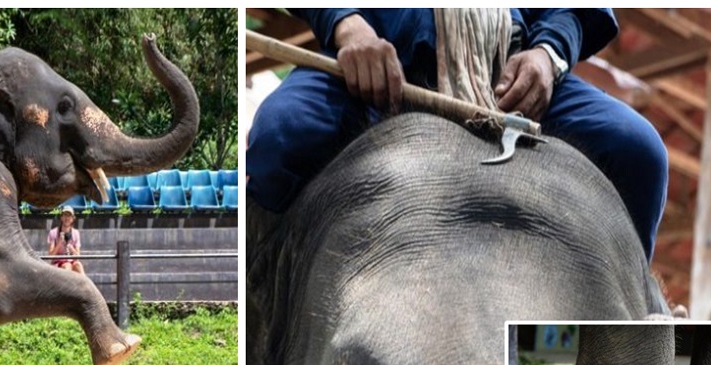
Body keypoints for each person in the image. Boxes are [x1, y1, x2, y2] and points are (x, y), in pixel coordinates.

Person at [247, 9, 668, 261]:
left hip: (510, 72)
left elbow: (575, 9)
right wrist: (348, 26)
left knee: (639, 151)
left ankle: (632, 305)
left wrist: (547, 55)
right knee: (281, 134)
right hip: (375, 62)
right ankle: (261, 295)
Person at [48, 206, 85, 274]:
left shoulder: (76, 233)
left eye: (69, 216)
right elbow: (50, 256)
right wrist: (59, 243)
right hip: (58, 262)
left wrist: (72, 249)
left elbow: (78, 255)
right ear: (61, 217)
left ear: (73, 218)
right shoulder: (53, 232)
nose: (67, 218)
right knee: (67, 266)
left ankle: (85, 284)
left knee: (78, 265)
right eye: (65, 215)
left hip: (71, 260)